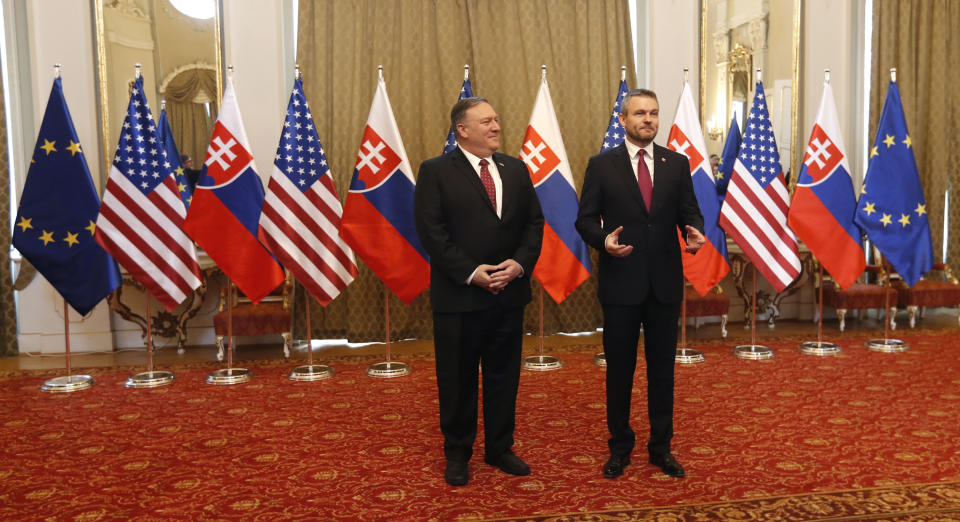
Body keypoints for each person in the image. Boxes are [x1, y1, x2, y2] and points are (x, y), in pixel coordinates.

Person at [414, 97, 544, 487]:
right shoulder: (435, 171)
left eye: (497, 119)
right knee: (457, 379)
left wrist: (519, 264)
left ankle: (500, 448)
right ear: (462, 130)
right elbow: (431, 233)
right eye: (486, 121)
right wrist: (472, 273)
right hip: (459, 297)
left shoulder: (516, 169)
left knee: (504, 377)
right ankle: (457, 453)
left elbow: (534, 224)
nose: (496, 126)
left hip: (508, 294)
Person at [575, 88, 705, 480]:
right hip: (621, 284)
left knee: (662, 371)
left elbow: (689, 212)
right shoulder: (602, 165)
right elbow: (584, 220)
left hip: (664, 285)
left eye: (653, 113)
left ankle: (661, 448)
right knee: (620, 370)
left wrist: (694, 232)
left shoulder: (676, 163)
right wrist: (603, 241)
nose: (647, 120)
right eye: (639, 114)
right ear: (623, 120)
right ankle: (620, 447)